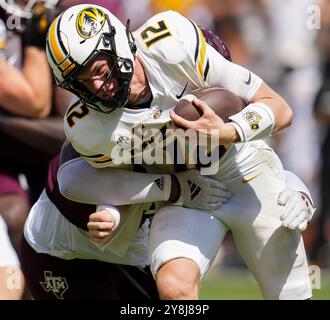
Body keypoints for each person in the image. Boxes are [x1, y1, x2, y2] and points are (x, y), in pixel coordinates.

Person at [46, 4, 315, 299]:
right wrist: (111, 210)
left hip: (242, 168)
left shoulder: (171, 45)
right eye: (83, 82)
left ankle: (287, 185)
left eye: (99, 70)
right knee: (175, 290)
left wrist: (228, 131)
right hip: (188, 191)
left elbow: (279, 108)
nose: (97, 87)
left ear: (118, 43)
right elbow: (123, 176)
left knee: (289, 293)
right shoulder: (86, 125)